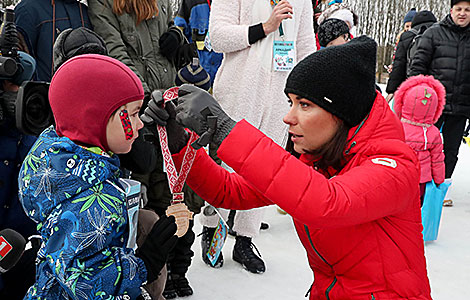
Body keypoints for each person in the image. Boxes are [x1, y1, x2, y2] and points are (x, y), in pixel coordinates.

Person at [144, 36, 432, 299]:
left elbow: (327, 202)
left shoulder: (394, 165)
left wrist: (226, 130)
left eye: (305, 105)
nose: (288, 117)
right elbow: (228, 191)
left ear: (342, 113)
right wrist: (178, 142)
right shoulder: (319, 160)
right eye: (291, 102)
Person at [18, 54, 178, 299]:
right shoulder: (91, 197)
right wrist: (144, 265)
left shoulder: (58, 158)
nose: (139, 125)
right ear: (95, 117)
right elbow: (86, 282)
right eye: (133, 115)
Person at [88, 1, 204, 296]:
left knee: (174, 195)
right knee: (139, 198)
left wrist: (178, 39)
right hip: (134, 110)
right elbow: (115, 53)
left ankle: (178, 268)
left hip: (167, 107)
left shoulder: (160, 2)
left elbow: (168, 38)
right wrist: (142, 100)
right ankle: (145, 276)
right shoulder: (104, 4)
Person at [198, 0, 314, 275]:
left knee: (266, 169)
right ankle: (213, 228)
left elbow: (306, 46)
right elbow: (218, 36)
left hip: (280, 97)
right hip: (239, 90)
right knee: (227, 162)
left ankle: (246, 238)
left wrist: (307, 91)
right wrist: (265, 26)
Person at [409, 0, 470, 207]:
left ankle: (440, 188)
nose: (463, 13)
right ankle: (415, 184)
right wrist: (418, 95)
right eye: (459, 9)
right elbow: (417, 65)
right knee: (422, 146)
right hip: (431, 106)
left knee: (451, 150)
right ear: (451, 11)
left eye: (467, 10)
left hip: (461, 105)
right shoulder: (434, 33)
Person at [0, 52, 38, 300]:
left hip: (20, 253)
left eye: (22, 87)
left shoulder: (34, 137)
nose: (16, 95)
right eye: (9, 86)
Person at [393, 75, 446, 205]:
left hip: (398, 176)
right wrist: (439, 179)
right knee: (416, 206)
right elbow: (437, 159)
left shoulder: (397, 127)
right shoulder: (433, 133)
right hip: (421, 179)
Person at [14, 0, 92, 81]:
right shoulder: (29, 9)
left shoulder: (86, 11)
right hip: (44, 90)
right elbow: (20, 64)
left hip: (84, 89)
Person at [385, 10, 437, 102]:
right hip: (436, 88)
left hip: (412, 88)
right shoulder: (440, 35)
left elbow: (399, 64)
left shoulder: (407, 36)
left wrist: (391, 90)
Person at [174, 0, 223, 88]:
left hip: (224, 74)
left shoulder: (232, 3)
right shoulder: (191, 2)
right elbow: (178, 32)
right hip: (198, 76)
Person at [385, 8, 417, 75]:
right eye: (407, 26)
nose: (409, 29)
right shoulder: (400, 39)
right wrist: (393, 66)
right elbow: (397, 57)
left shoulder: (417, 40)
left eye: (411, 26)